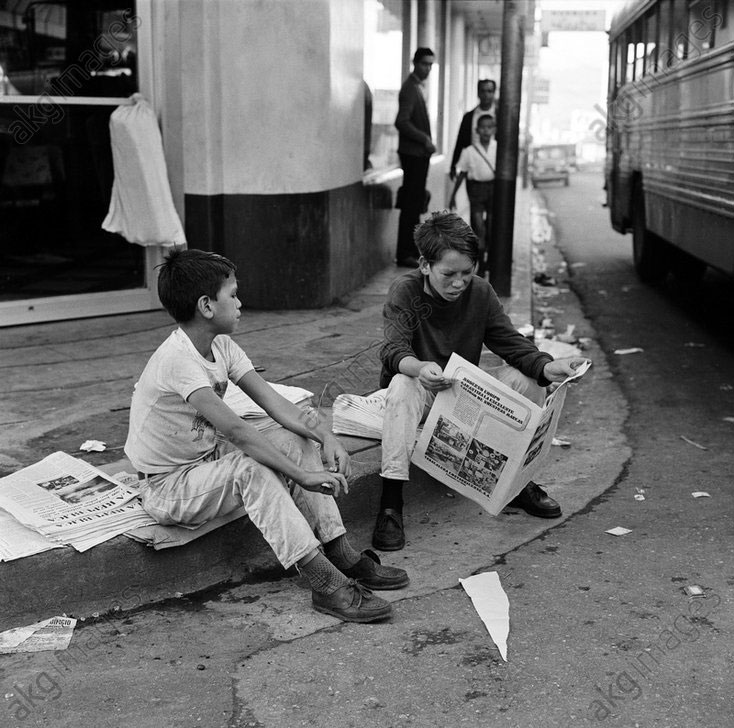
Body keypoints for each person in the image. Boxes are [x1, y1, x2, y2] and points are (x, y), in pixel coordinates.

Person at [124, 248, 409, 622]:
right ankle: (324, 583)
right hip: (168, 487)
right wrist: (304, 476)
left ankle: (339, 552)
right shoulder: (178, 360)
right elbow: (238, 433)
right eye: (234, 295)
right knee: (250, 467)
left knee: (294, 438)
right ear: (206, 306)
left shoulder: (220, 344)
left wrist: (327, 438)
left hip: (206, 466)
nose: (241, 303)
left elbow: (276, 405)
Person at [371, 212, 589, 551]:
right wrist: (420, 367)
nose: (459, 283)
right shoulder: (406, 291)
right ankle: (390, 503)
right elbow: (393, 350)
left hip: (461, 395)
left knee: (527, 377)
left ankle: (518, 485)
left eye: (467, 273)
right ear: (425, 265)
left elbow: (511, 343)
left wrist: (549, 368)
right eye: (449, 274)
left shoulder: (480, 293)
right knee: (401, 383)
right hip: (420, 393)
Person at [394, 47, 436, 268]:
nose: (427, 69)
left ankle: (410, 250)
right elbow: (401, 121)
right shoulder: (410, 88)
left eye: (430, 65)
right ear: (414, 63)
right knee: (411, 204)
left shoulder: (418, 88)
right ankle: (405, 252)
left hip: (418, 154)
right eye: (424, 64)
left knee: (415, 202)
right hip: (412, 154)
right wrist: (424, 139)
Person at [448, 113, 497, 268]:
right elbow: (462, 173)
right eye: (482, 128)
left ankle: (490, 258)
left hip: (493, 189)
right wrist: (453, 195)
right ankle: (480, 261)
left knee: (491, 225)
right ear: (476, 130)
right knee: (478, 226)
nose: (486, 131)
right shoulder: (469, 151)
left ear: (494, 129)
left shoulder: (498, 148)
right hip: (475, 189)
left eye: (489, 127)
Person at [450, 79, 497, 181]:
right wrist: (453, 166)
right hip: (473, 171)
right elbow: (460, 142)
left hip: (494, 171)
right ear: (478, 93)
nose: (486, 95)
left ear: (494, 93)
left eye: (489, 91)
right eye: (483, 91)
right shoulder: (469, 117)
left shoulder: (500, 117)